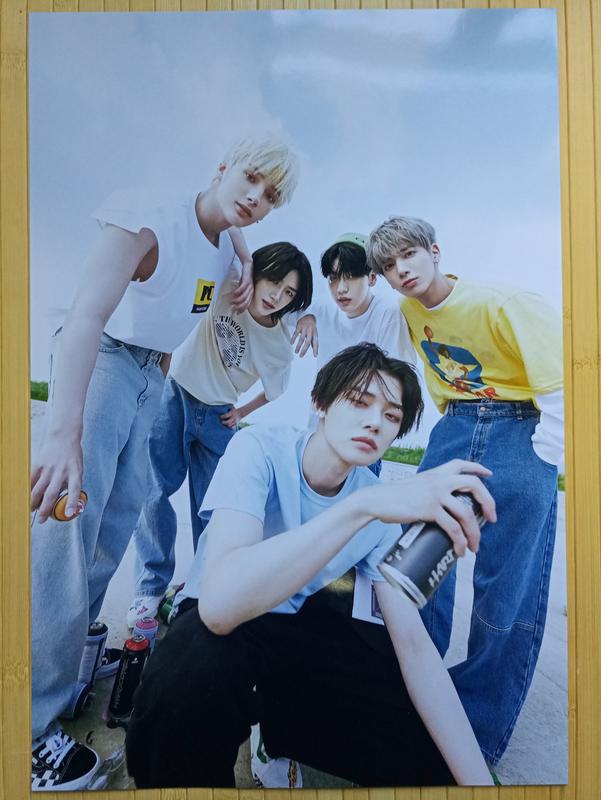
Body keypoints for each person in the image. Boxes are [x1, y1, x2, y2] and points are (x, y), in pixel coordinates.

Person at [30, 134, 299, 792]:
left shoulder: (226, 241)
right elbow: (86, 316)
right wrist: (62, 432)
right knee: (65, 529)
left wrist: (244, 253)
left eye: (269, 196)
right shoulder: (148, 214)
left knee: (114, 525)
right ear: (223, 164)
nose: (254, 199)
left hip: (152, 376)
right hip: (104, 362)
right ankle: (28, 728)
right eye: (250, 179)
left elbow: (229, 230)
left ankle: (68, 664)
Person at [126, 343, 496, 789]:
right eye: (359, 401)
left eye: (392, 416)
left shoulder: (375, 505)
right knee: (180, 692)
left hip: (297, 627)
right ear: (319, 403)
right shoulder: (259, 448)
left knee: (426, 750)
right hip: (221, 622)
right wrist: (361, 507)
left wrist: (475, 784)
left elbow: (414, 648)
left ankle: (275, 733)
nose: (375, 422)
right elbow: (219, 606)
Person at [366, 216, 564, 766]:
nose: (401, 270)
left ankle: (474, 732)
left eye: (409, 255)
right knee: (416, 566)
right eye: (389, 266)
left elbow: (562, 383)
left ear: (434, 251)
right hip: (454, 427)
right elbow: (375, 339)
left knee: (506, 587)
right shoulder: (407, 310)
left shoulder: (503, 304)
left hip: (521, 427)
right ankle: (415, 697)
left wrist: (543, 456)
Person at [126, 241, 313, 627]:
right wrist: (245, 259)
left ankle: (199, 590)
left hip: (218, 418)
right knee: (154, 491)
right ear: (258, 271)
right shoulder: (229, 284)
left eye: (289, 293)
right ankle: (149, 588)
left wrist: (241, 412)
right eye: (274, 281)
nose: (276, 296)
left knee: (216, 511)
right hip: (176, 396)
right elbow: (222, 230)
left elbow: (275, 390)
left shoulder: (279, 345)